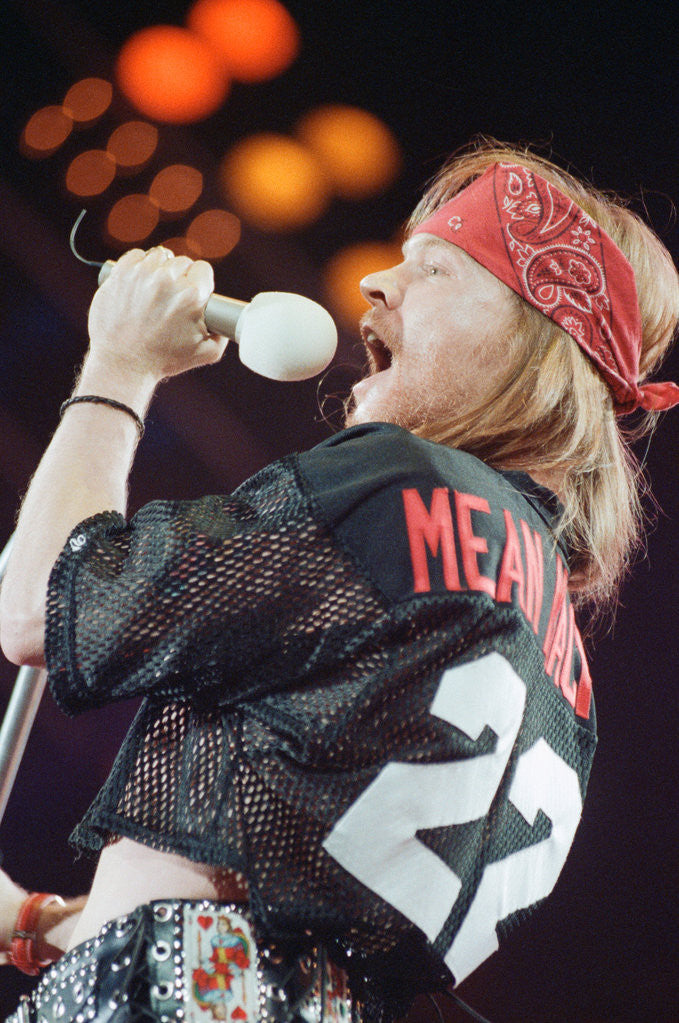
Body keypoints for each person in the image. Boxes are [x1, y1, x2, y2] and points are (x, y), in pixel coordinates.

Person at [1, 139, 678, 1023]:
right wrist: (37, 919)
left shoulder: (404, 482)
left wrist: (120, 366)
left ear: (528, 341)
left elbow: (43, 607)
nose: (376, 284)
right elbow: (295, 920)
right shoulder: (559, 667)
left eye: (436, 268)